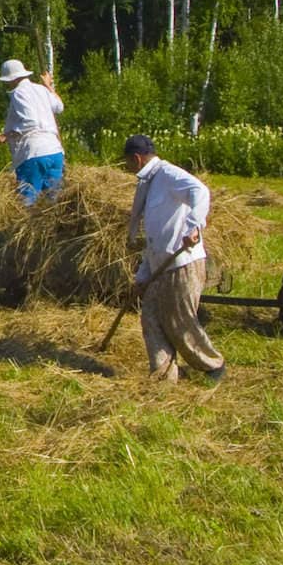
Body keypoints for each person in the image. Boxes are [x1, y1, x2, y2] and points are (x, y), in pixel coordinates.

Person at [123, 133, 226, 383]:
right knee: (151, 317)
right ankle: (163, 375)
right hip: (160, 265)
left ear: (136, 159)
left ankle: (213, 365)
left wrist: (193, 227)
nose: (126, 166)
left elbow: (200, 192)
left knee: (179, 321)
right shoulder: (146, 183)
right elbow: (155, 234)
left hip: (183, 263)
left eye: (126, 161)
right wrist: (143, 275)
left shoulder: (168, 175)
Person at [0, 58, 65, 202]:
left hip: (34, 153)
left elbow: (30, 121)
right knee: (53, 202)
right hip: (55, 151)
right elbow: (59, 106)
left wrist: (7, 135)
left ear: (12, 79)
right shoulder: (41, 89)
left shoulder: (19, 93)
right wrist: (48, 86)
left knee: (28, 201)